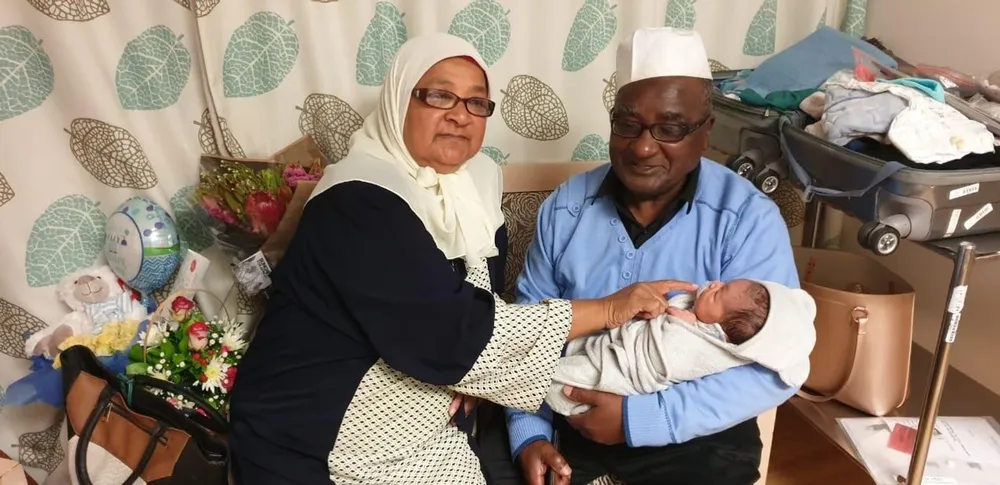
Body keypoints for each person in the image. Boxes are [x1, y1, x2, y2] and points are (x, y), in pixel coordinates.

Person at [227, 32, 696, 485]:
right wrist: (609, 310)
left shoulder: (475, 184)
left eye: (476, 102)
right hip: (322, 433)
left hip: (425, 420)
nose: (460, 115)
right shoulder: (358, 201)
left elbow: (477, 301)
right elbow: (451, 331)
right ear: (398, 101)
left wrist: (474, 378)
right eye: (439, 96)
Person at [477, 27, 804, 485]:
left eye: (670, 129)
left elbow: (777, 368)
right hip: (567, 407)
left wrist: (642, 419)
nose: (643, 146)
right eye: (627, 124)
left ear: (706, 132)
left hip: (691, 430)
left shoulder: (746, 219)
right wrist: (530, 434)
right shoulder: (567, 208)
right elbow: (531, 333)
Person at [544, 279, 817, 417]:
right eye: (723, 284)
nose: (715, 283)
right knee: (571, 350)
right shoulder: (701, 319)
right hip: (613, 345)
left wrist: (678, 321)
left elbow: (669, 352)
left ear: (721, 331)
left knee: (555, 380)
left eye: (718, 294)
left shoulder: (708, 346)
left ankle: (540, 379)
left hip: (627, 370)